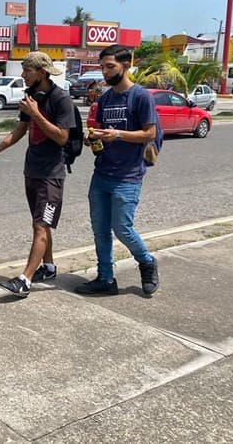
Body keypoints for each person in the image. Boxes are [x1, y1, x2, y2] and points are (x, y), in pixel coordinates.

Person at [0, 51, 76, 297]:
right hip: (32, 170)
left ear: (42, 73)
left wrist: (37, 113)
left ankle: (25, 279)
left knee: (40, 226)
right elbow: (20, 130)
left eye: (27, 71)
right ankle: (48, 267)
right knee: (40, 225)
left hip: (51, 174)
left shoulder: (61, 99)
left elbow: (62, 137)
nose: (23, 75)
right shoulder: (31, 96)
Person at [75, 44, 160, 296]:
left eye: (110, 66)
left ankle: (146, 262)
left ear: (125, 66)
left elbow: (150, 133)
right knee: (100, 229)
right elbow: (101, 131)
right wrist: (93, 139)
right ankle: (105, 278)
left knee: (122, 228)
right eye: (102, 67)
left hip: (128, 176)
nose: (105, 72)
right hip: (101, 174)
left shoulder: (140, 96)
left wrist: (118, 134)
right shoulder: (105, 98)